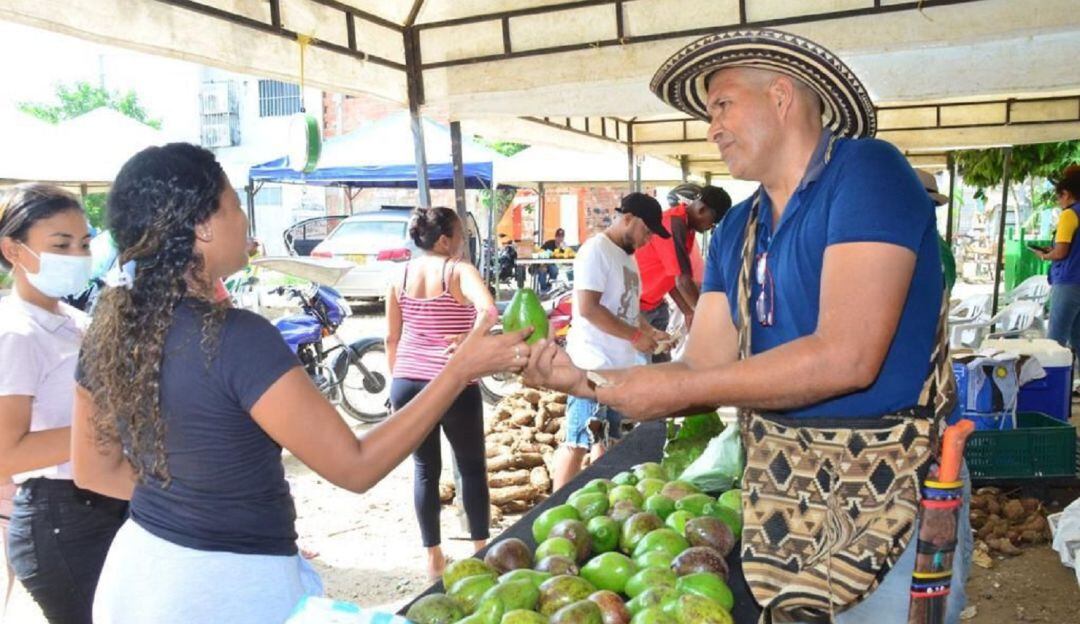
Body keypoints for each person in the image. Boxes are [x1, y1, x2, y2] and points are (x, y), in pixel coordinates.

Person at [525, 28, 969, 623]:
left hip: (896, 489)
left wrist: (679, 391)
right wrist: (584, 382)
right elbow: (703, 363)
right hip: (788, 497)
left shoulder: (868, 174)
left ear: (782, 96)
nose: (712, 128)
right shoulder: (739, 230)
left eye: (722, 106)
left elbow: (848, 357)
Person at [72, 144, 530, 624]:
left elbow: (95, 471)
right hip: (223, 594)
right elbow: (355, 467)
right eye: (234, 206)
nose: (246, 221)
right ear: (202, 226)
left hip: (139, 574)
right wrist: (456, 372)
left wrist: (206, 510)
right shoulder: (237, 339)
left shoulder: (109, 332)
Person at [0, 183, 128, 624]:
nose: (76, 255)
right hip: (60, 517)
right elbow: (6, 454)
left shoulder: (74, 321)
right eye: (60, 245)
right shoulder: (15, 332)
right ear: (13, 250)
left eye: (85, 243)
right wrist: (109, 428)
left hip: (104, 500)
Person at [386, 206, 497, 580]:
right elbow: (490, 312)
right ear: (445, 239)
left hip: (406, 382)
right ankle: (481, 554)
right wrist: (467, 340)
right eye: (460, 234)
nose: (463, 241)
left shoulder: (398, 275)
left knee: (424, 470)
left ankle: (434, 559)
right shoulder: (458, 270)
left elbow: (391, 338)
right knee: (470, 468)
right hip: (452, 382)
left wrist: (395, 383)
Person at [550, 193, 671, 490]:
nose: (648, 239)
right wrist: (635, 336)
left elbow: (627, 308)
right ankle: (551, 508)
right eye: (647, 231)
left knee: (607, 442)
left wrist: (649, 331)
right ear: (628, 218)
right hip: (591, 366)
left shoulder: (627, 257)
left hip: (618, 369)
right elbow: (590, 308)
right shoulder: (596, 250)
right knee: (577, 441)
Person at [636, 183, 731, 361]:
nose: (711, 227)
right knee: (641, 370)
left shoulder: (686, 226)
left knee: (662, 367)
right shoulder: (673, 225)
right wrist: (705, 317)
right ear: (702, 209)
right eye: (714, 221)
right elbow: (683, 280)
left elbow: (673, 277)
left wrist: (688, 311)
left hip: (655, 305)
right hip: (637, 310)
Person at [1035, 165, 1080, 357]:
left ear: (1067, 194)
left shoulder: (1069, 214)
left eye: (1059, 196)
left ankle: (1052, 384)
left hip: (1068, 281)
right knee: (1077, 337)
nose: (1058, 201)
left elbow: (1061, 252)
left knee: (1055, 340)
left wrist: (1046, 255)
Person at [535, 227, 566, 294]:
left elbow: (565, 257)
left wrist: (562, 248)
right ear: (555, 237)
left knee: (554, 269)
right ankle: (543, 289)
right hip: (544, 263)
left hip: (554, 265)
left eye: (561, 237)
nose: (560, 239)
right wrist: (543, 264)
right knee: (543, 269)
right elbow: (540, 252)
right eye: (558, 237)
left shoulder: (564, 246)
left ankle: (551, 286)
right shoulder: (549, 243)